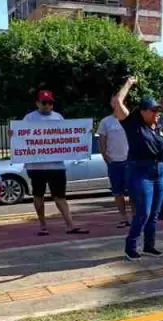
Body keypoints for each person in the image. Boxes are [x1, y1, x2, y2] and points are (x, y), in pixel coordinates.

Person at [111, 77, 163, 261]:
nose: (157, 113)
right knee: (143, 212)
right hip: (140, 171)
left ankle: (149, 246)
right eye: (153, 110)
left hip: (161, 171)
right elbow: (117, 102)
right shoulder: (133, 124)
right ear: (142, 111)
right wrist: (129, 83)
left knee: (155, 213)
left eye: (159, 110)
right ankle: (130, 246)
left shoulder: (159, 128)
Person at [23, 90, 89, 236]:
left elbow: (67, 136)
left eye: (50, 103)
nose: (47, 105)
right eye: (44, 102)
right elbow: (21, 138)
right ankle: (43, 226)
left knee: (60, 196)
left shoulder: (58, 117)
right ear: (37, 103)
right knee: (38, 195)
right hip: (36, 166)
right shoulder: (29, 118)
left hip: (56, 165)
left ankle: (70, 225)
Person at [98, 107, 132, 228]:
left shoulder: (130, 119)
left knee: (133, 191)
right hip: (114, 162)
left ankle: (135, 216)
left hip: (130, 161)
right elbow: (102, 140)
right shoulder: (106, 121)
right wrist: (105, 156)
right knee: (118, 192)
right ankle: (123, 217)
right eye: (114, 102)